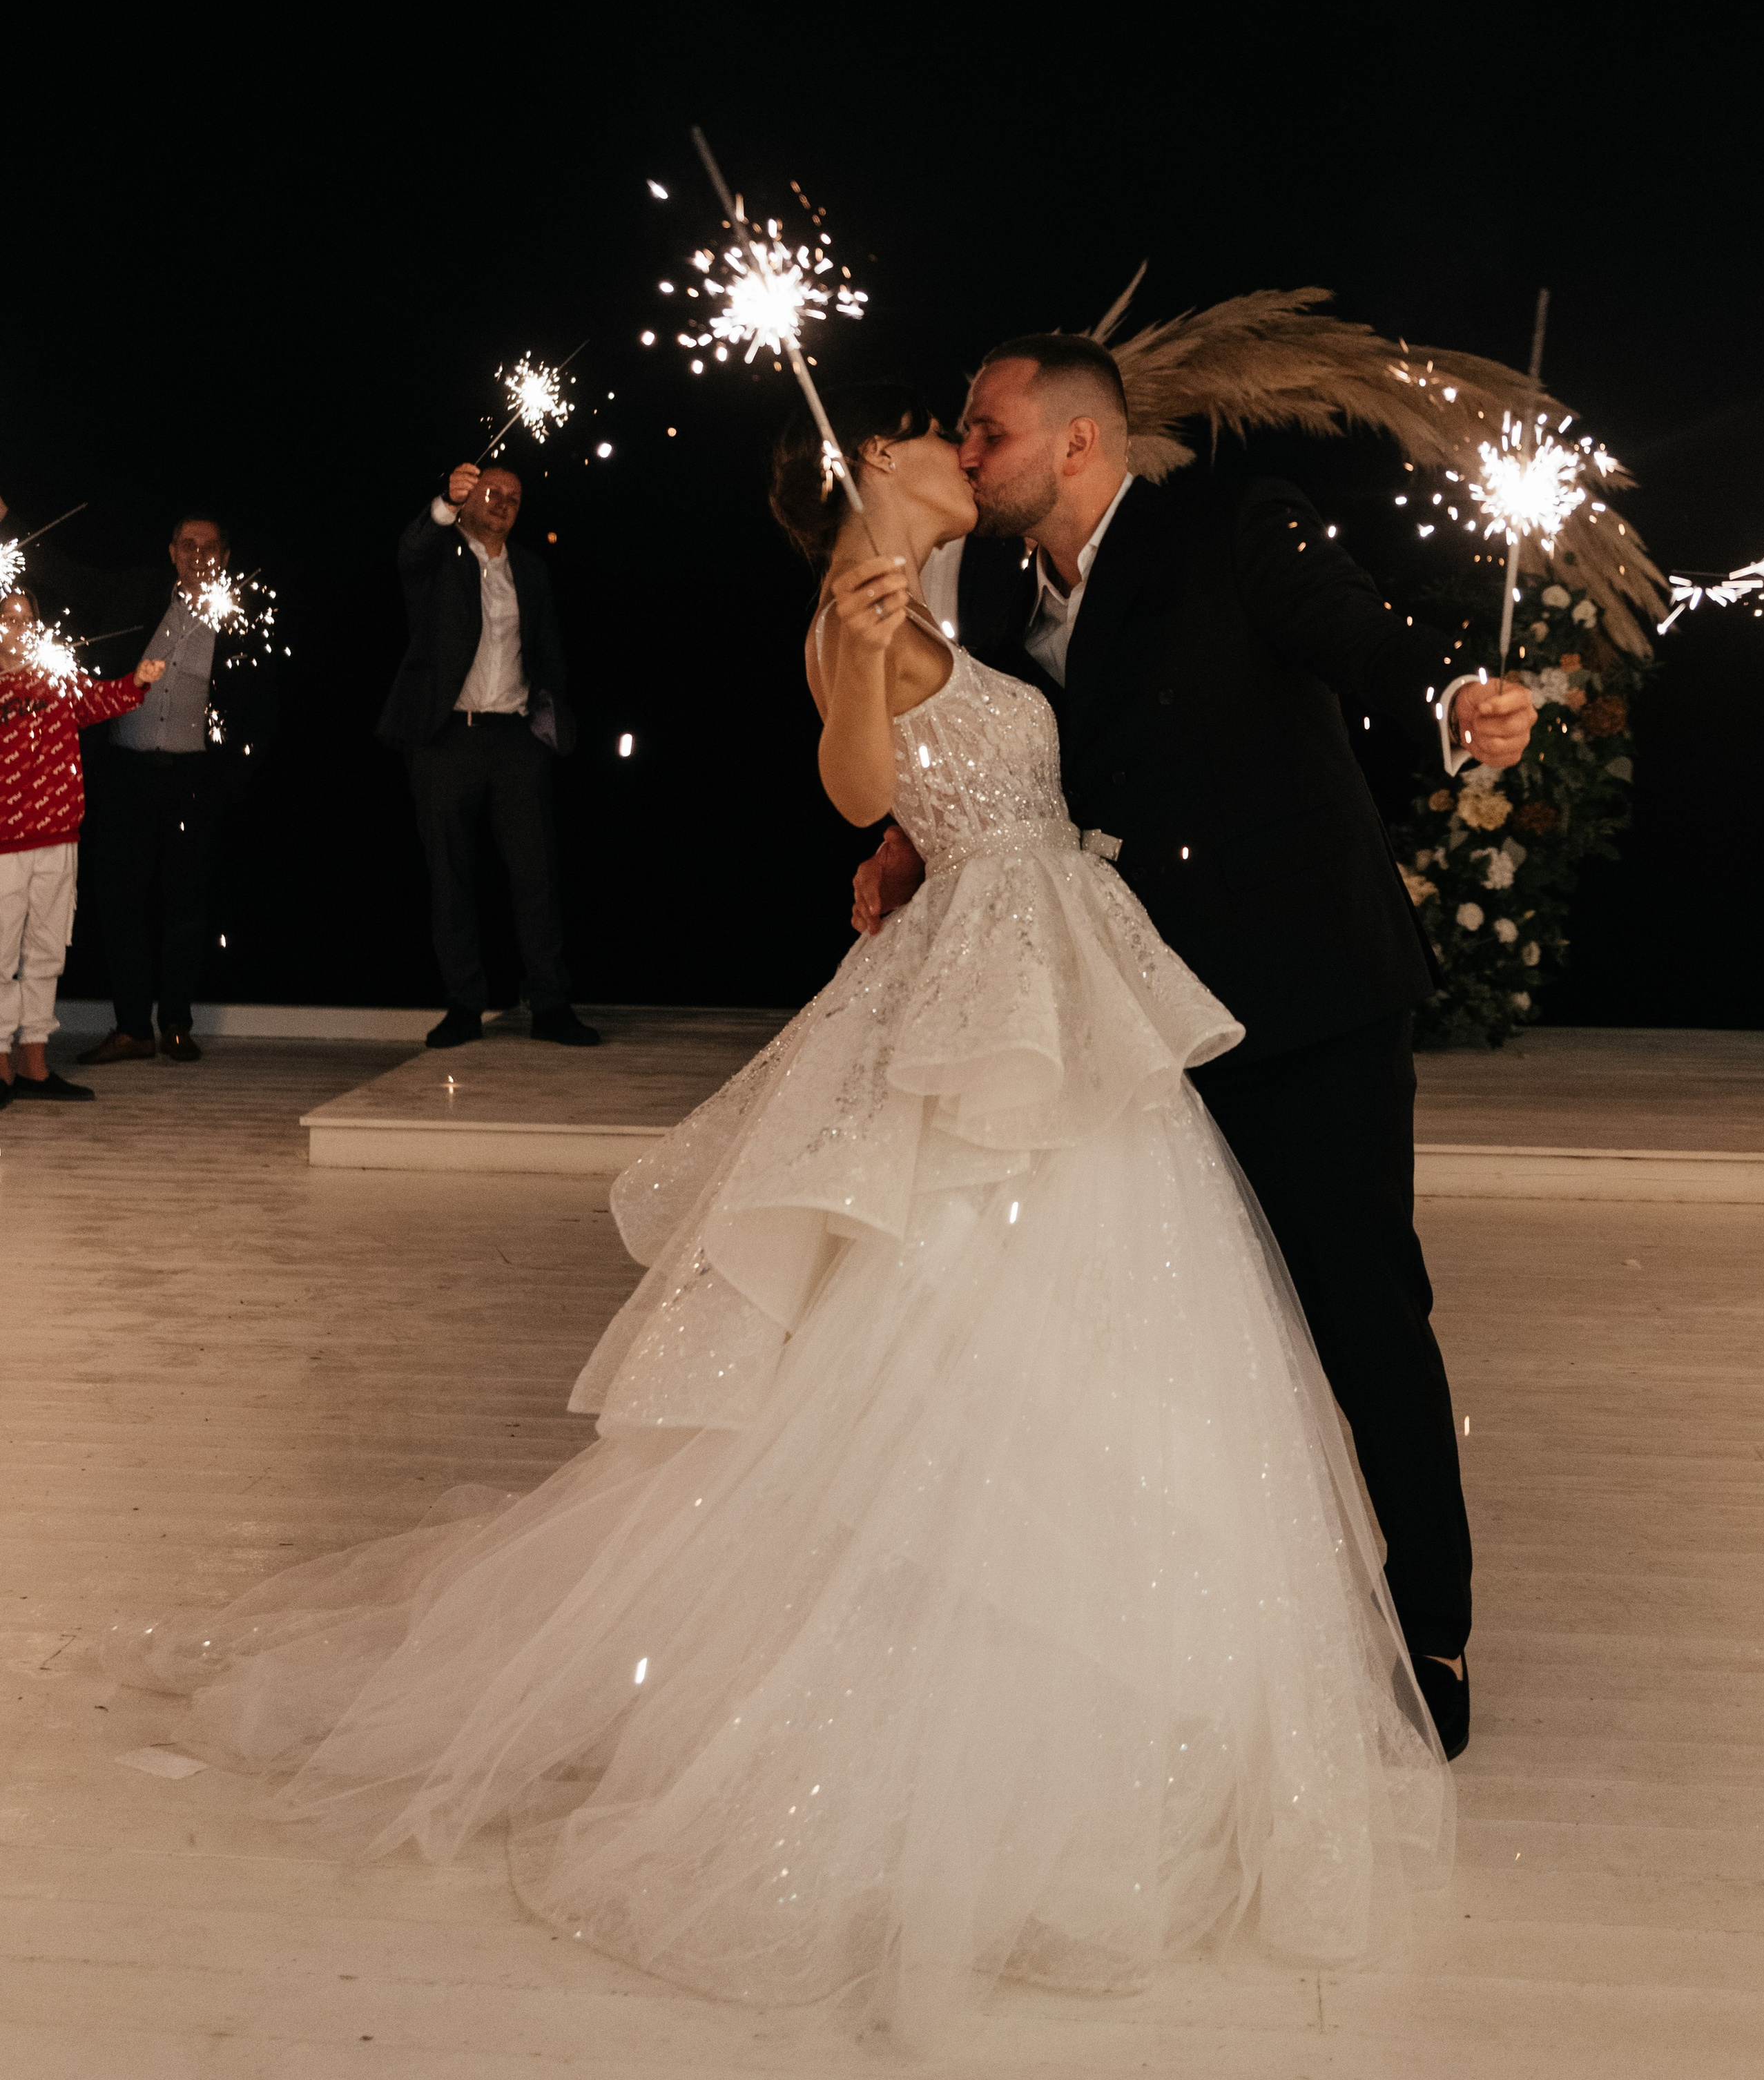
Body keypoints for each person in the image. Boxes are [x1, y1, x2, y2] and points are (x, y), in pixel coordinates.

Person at [111, 386, 1454, 2051]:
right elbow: (846, 782)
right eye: (927, 437)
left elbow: (980, 789)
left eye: (974, 429)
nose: (957, 453)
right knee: (967, 1313)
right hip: (989, 995)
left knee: (1124, 1311)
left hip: (1053, 974)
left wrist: (908, 788)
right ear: (857, 480)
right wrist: (860, 662)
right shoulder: (864, 609)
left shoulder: (994, 600)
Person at [856, 336, 1538, 1762]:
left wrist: (1457, 709)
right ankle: (1206, 1635)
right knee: (1168, 1333)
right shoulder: (984, 585)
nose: (965, 455)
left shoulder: (1232, 528)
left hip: (1299, 997)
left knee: (1357, 1311)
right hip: (1120, 1015)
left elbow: (1365, 644)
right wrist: (906, 840)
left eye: (986, 433)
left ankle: (1432, 1624)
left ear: (1078, 445)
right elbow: (1001, 767)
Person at [378, 462, 596, 1049]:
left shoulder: (530, 569)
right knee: (451, 877)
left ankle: (550, 1004)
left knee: (537, 875)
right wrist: (442, 504)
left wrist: (552, 720)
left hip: (514, 740)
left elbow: (548, 651)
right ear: (469, 498)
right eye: (492, 493)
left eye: (513, 498)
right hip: (446, 739)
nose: (502, 503)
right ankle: (463, 1007)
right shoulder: (437, 560)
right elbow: (409, 550)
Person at [65, 510, 278, 1067]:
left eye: (209, 546)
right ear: (172, 552)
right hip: (127, 772)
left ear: (225, 555)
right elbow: (72, 577)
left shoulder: (242, 617)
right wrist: (8, 521)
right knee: (120, 901)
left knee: (188, 904)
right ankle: (133, 1028)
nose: (198, 554)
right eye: (188, 544)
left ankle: (177, 1024)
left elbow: (260, 705)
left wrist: (230, 780)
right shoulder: (140, 593)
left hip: (196, 779)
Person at [0, 588, 165, 1107]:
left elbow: (98, 701)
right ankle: (0, 1068)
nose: (18, 626)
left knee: (46, 953)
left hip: (59, 837)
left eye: (26, 618)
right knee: (0, 958)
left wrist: (136, 682)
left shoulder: (55, 677)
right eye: (7, 617)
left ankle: (34, 1065)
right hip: (4, 844)